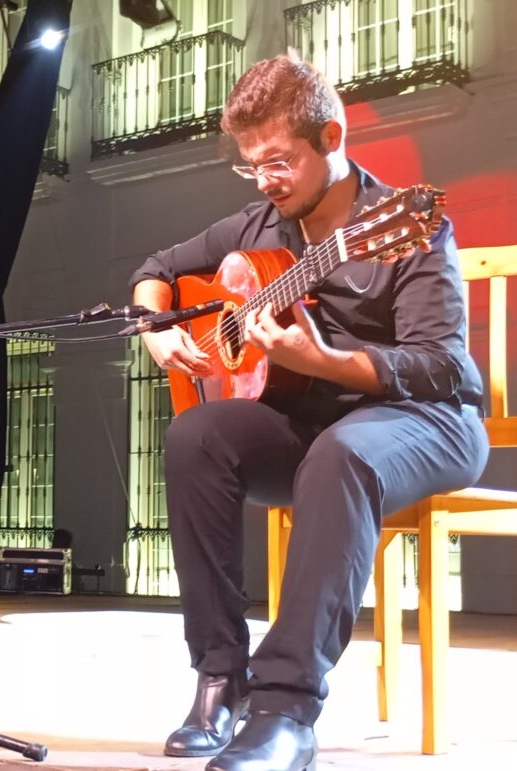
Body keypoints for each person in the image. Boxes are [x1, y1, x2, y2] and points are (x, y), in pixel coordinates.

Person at [130, 55, 488, 771]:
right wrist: (158, 331)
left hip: (426, 417)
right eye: (252, 165)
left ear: (331, 137)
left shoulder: (400, 225)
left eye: (279, 161)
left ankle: (287, 709)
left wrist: (323, 360)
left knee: (343, 453)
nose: (266, 179)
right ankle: (220, 676)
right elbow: (155, 271)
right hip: (318, 420)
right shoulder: (260, 222)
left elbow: (446, 367)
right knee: (196, 433)